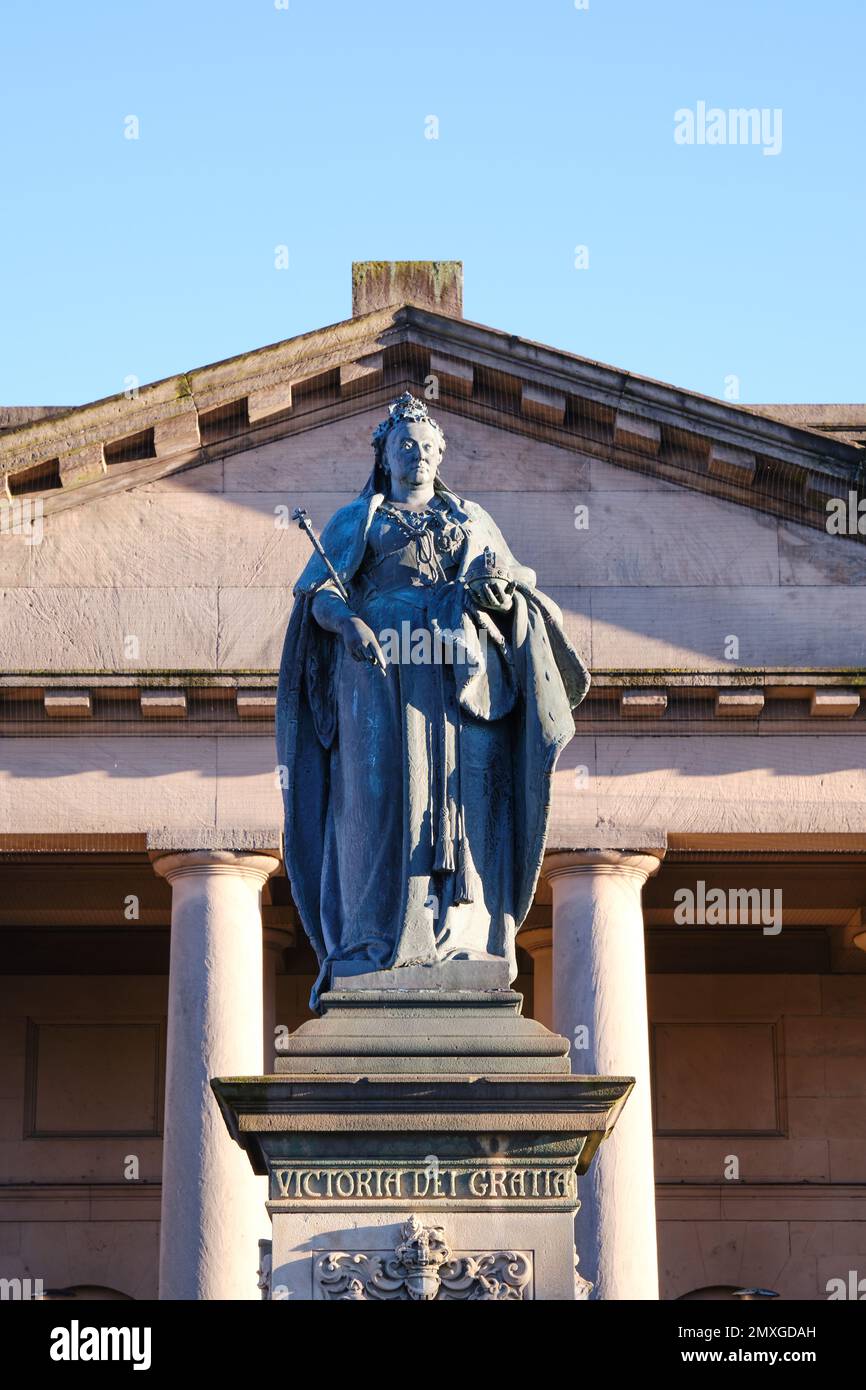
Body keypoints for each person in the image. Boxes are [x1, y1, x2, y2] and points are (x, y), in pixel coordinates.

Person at [276, 393, 589, 1007]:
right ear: (385, 457)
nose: (416, 458)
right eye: (404, 448)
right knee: (374, 802)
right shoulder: (357, 520)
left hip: (452, 677)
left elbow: (516, 591)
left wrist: (494, 597)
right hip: (376, 675)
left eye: (426, 448)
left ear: (440, 455)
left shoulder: (470, 519)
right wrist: (350, 624)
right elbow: (318, 594)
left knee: (459, 801)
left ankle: (460, 939)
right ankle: (372, 941)